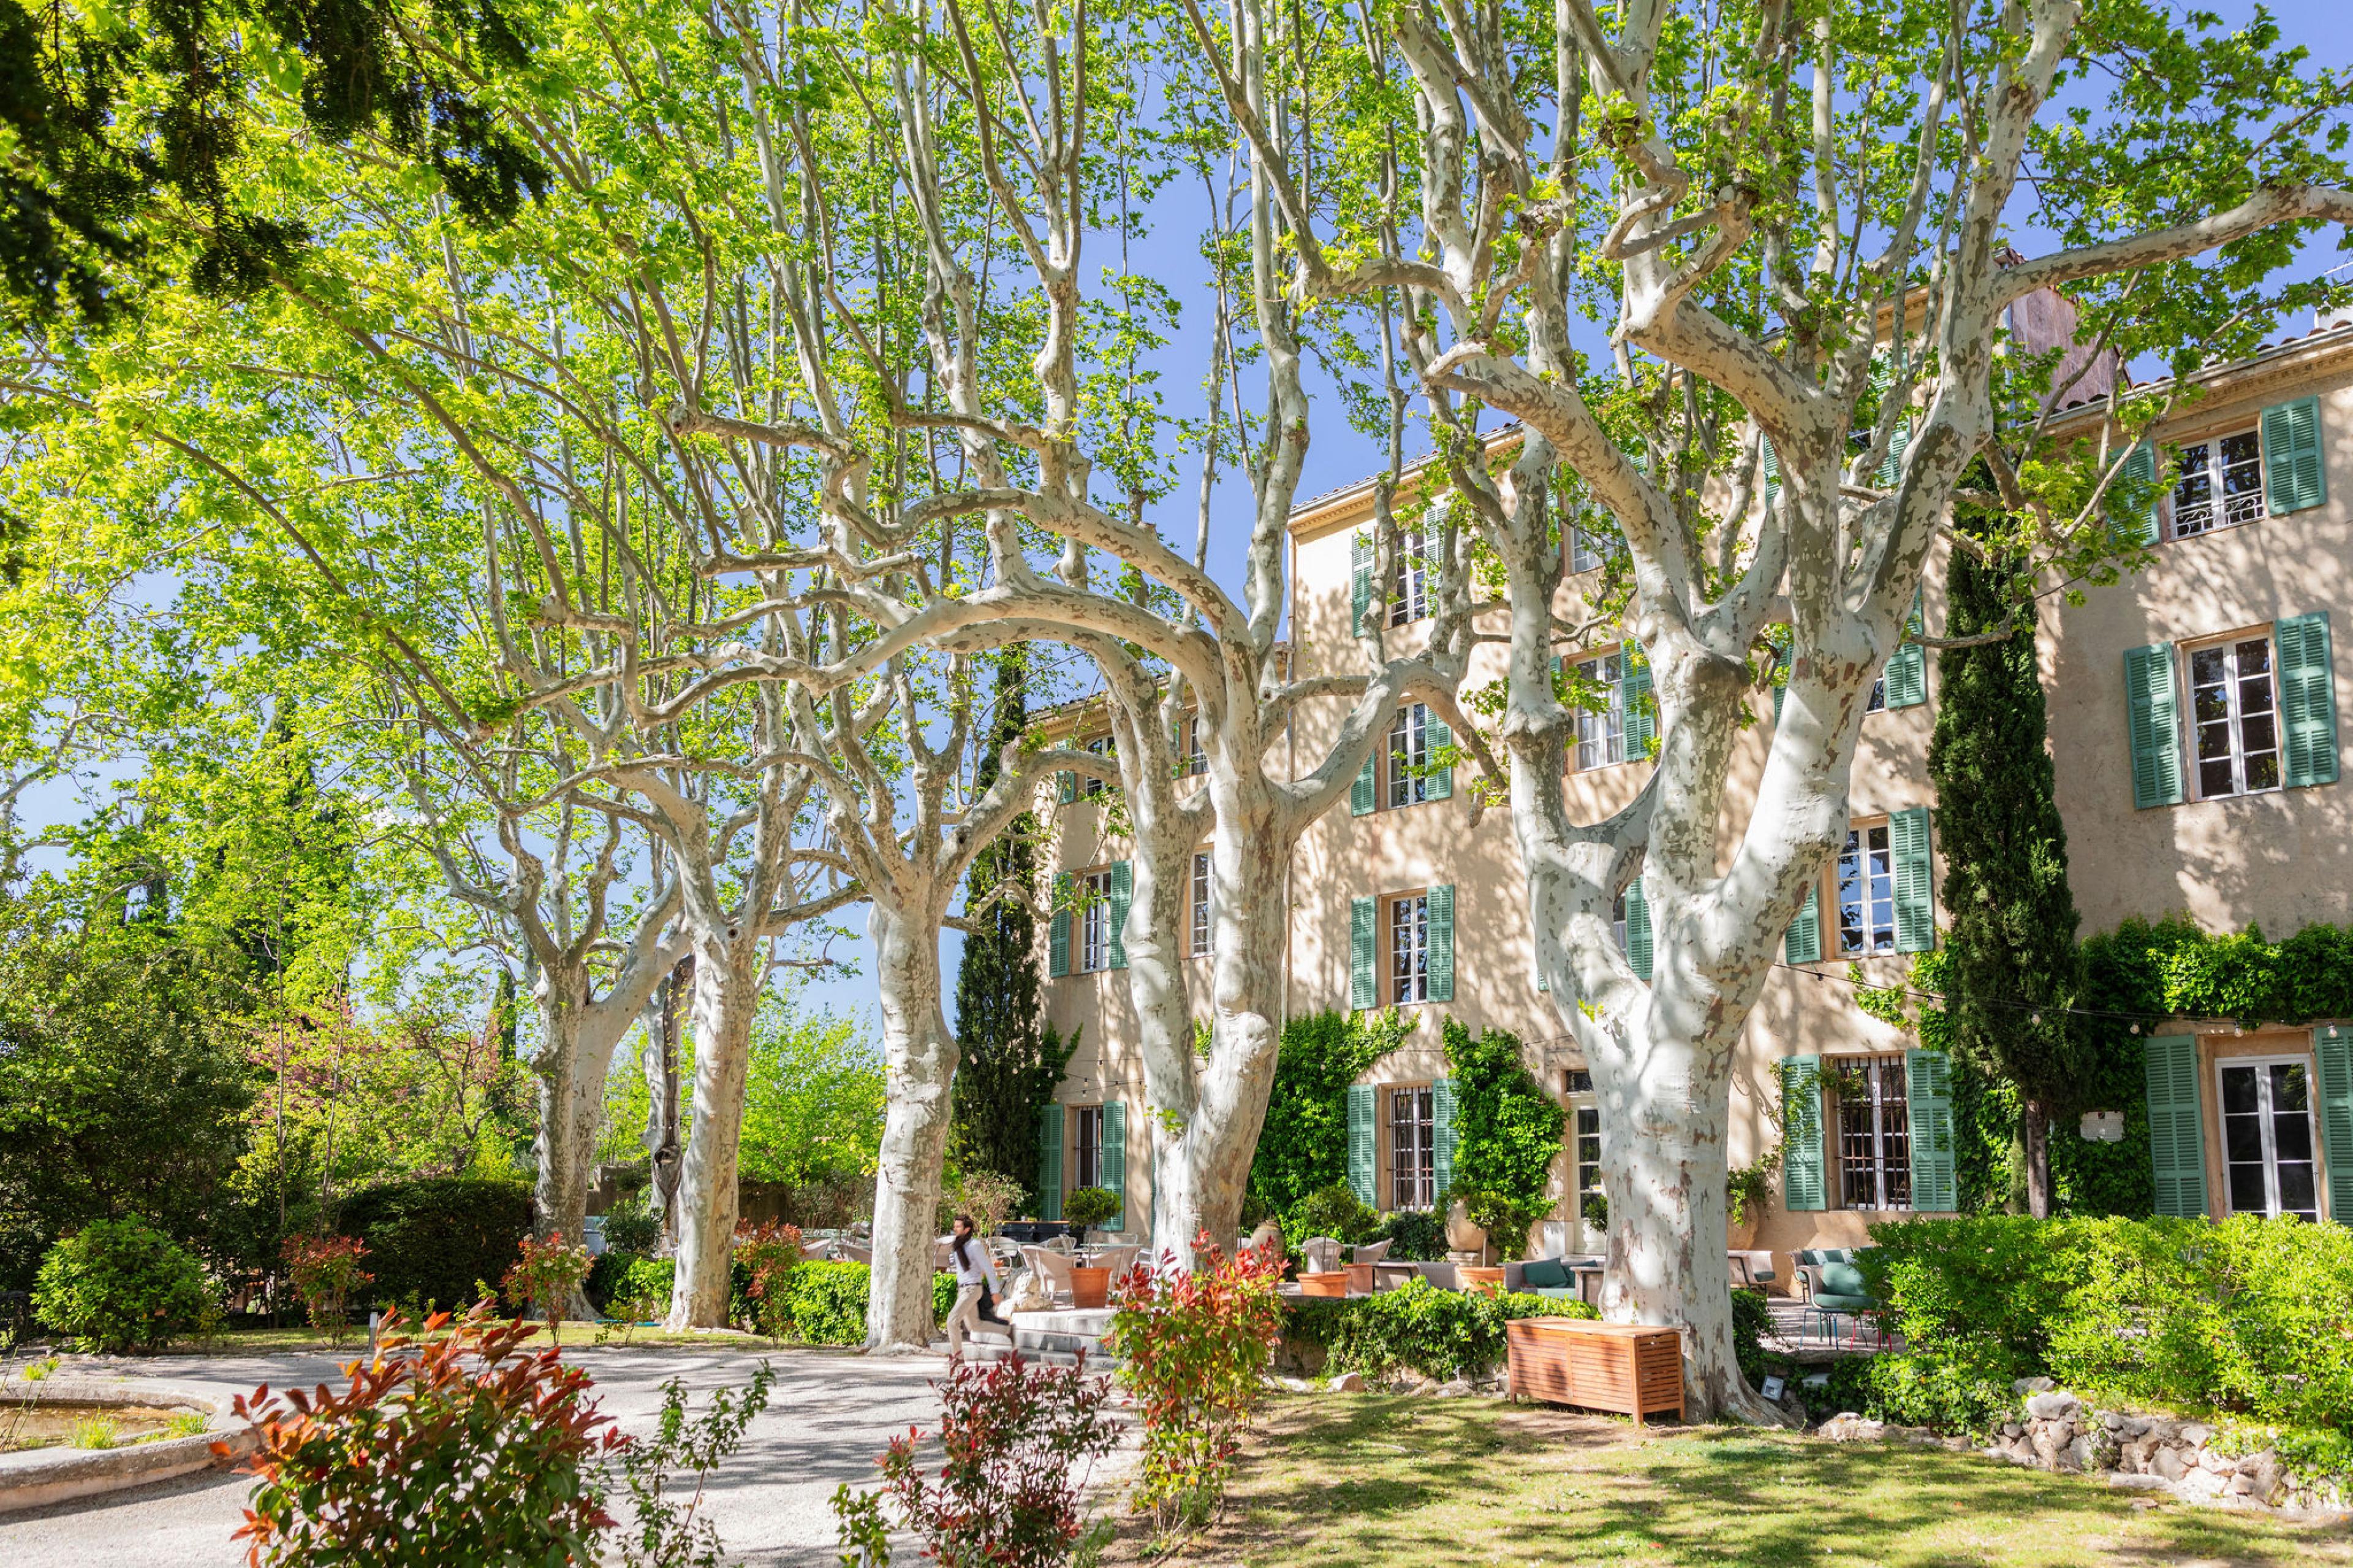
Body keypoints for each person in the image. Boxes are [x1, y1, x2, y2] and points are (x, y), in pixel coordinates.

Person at [944, 1213, 1006, 1357]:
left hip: (973, 1289)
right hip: (963, 1290)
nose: (955, 1229)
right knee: (975, 1325)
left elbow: (988, 1268)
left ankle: (957, 1358)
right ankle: (1008, 1331)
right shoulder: (958, 1245)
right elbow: (942, 1240)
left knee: (952, 1321)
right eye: (955, 1226)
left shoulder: (974, 1245)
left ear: (967, 1229)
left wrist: (995, 1291)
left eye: (958, 1226)